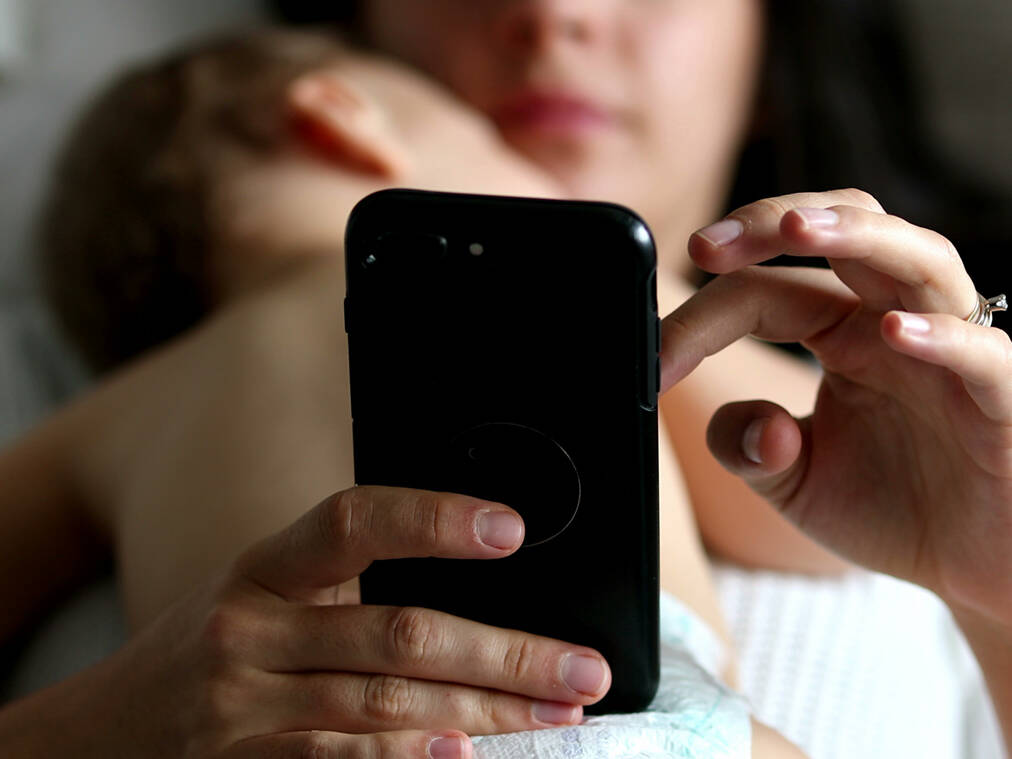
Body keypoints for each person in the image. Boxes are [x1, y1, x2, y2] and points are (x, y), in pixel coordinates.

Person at [0, 0, 1008, 753]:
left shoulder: (126, 408)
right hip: (624, 717)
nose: (552, 17)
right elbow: (812, 503)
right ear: (340, 118)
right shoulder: (610, 320)